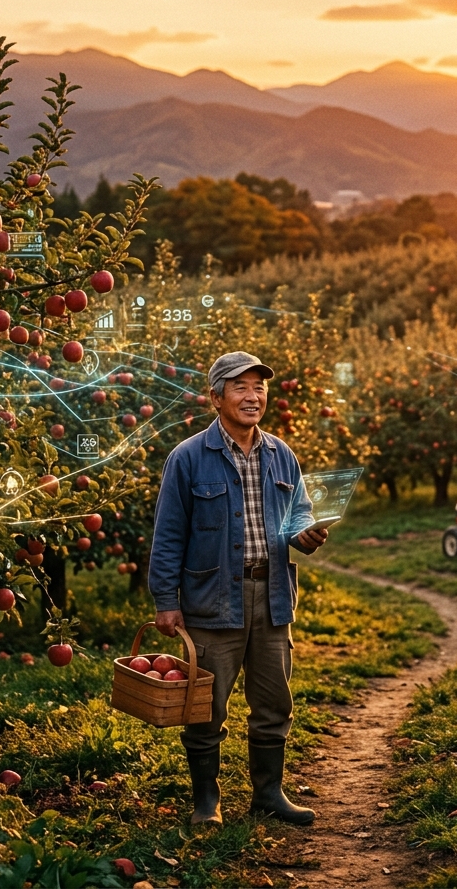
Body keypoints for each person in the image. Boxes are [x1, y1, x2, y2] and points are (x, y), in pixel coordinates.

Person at [148, 351, 328, 827]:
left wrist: (305, 533)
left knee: (273, 703)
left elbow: (299, 514)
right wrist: (166, 601)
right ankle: (207, 801)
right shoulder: (188, 458)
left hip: (271, 596)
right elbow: (168, 535)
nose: (253, 396)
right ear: (216, 397)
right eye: (241, 387)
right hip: (212, 599)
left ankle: (268, 794)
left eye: (259, 387)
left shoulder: (281, 454)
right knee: (205, 708)